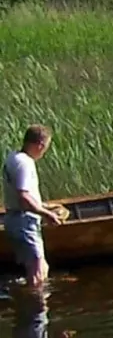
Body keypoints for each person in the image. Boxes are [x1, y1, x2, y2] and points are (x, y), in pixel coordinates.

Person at [4, 124, 64, 290]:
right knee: (37, 272)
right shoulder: (25, 164)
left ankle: (32, 306)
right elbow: (23, 197)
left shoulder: (14, 157)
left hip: (15, 219)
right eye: (45, 147)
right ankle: (35, 311)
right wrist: (47, 214)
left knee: (42, 267)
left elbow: (20, 194)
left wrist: (44, 205)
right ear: (40, 145)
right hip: (23, 222)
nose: (44, 152)